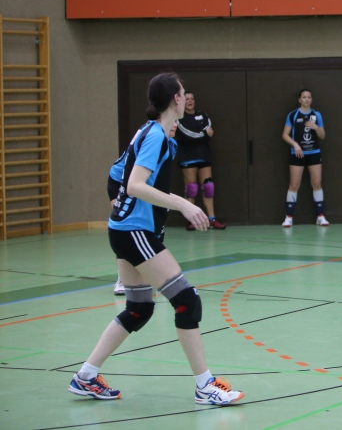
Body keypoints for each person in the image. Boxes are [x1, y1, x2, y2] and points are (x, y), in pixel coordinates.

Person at [69, 72, 244, 404]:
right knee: (187, 300)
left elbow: (120, 175)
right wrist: (183, 205)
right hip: (134, 232)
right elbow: (134, 184)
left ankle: (86, 376)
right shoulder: (155, 137)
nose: (185, 95)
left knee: (139, 308)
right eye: (182, 92)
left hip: (125, 230)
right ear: (176, 99)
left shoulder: (153, 133)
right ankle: (205, 386)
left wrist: (130, 204)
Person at [112, 121, 178, 295]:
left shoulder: (171, 144)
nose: (175, 125)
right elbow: (124, 174)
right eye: (172, 120)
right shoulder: (151, 138)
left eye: (177, 121)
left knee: (156, 227)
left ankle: (152, 274)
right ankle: (123, 277)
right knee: (127, 227)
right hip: (121, 184)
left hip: (146, 189)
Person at [174, 92, 226, 230]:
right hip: (188, 156)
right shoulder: (179, 117)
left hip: (204, 155)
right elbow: (186, 134)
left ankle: (211, 219)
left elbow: (209, 130)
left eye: (192, 99)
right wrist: (203, 135)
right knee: (191, 188)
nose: (190, 101)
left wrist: (202, 135)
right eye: (187, 99)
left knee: (208, 187)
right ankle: (192, 221)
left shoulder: (203, 115)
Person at [281, 89, 329, 227]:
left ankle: (320, 216)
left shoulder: (317, 115)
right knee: (294, 184)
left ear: (311, 99)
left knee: (317, 183)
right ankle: (289, 217)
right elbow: (284, 135)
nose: (307, 99)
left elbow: (322, 136)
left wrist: (315, 127)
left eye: (309, 97)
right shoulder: (293, 115)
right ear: (299, 100)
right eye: (304, 97)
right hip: (297, 154)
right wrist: (295, 144)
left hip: (314, 152)